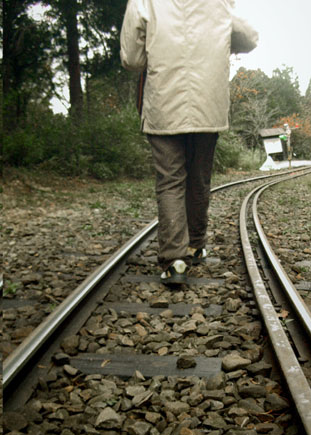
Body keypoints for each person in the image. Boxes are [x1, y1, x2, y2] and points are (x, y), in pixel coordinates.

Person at [120, 0, 258, 284]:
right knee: (199, 177)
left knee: (170, 181)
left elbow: (132, 60)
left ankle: (175, 260)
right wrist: (217, 42)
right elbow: (249, 38)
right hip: (209, 103)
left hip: (164, 102)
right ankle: (195, 245)